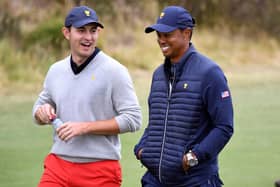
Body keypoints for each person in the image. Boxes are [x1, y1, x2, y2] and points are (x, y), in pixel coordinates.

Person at [32, 5, 142, 187]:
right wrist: (41, 113)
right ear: (66, 33)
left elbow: (133, 119)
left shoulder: (114, 71)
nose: (88, 37)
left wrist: (84, 127)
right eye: (81, 30)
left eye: (93, 31)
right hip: (58, 166)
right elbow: (38, 110)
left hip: (100, 170)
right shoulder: (56, 70)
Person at [134, 6, 234, 187]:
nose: (161, 40)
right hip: (155, 181)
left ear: (186, 34)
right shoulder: (158, 75)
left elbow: (224, 127)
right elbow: (157, 122)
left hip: (195, 181)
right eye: (158, 35)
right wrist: (142, 149)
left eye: (168, 34)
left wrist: (193, 158)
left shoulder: (209, 73)